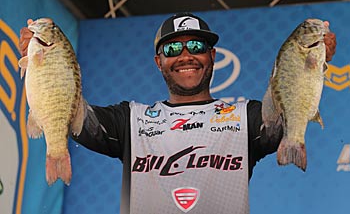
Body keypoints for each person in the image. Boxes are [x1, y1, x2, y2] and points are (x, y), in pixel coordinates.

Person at [19, 12, 336, 214]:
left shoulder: (247, 117)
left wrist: (312, 65)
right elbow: (75, 116)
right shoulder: (130, 119)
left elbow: (288, 112)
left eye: (196, 46)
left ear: (212, 56)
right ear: (159, 61)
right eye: (172, 49)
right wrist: (46, 61)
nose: (185, 55)